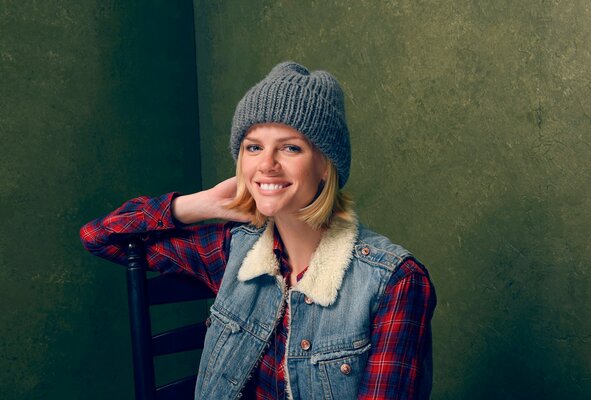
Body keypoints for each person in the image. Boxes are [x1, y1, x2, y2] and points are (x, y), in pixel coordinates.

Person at [80, 61, 436, 400]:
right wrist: (196, 204)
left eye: (290, 148)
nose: (266, 164)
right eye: (254, 147)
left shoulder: (396, 282)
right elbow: (100, 236)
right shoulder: (233, 250)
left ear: (325, 166)